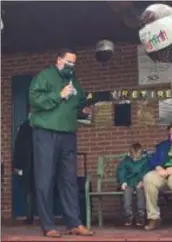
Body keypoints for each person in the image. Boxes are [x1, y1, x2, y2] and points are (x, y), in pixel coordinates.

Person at [29, 48, 94, 238]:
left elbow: (80, 101)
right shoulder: (45, 76)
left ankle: (74, 223)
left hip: (68, 134)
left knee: (69, 180)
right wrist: (59, 94)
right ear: (59, 61)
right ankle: (48, 226)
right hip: (46, 133)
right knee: (45, 179)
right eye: (68, 62)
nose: (71, 66)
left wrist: (86, 109)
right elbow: (34, 99)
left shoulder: (74, 80)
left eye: (74, 63)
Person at [116, 143, 150, 226]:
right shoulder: (125, 161)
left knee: (141, 192)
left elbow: (146, 171)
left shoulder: (146, 160)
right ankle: (128, 215)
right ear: (130, 153)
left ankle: (141, 215)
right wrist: (123, 182)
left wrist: (143, 181)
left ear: (141, 152)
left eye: (137, 154)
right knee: (127, 194)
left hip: (140, 182)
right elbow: (121, 172)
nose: (135, 157)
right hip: (129, 182)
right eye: (133, 154)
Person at [13, 118, 35, 224]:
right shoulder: (25, 127)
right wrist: (17, 164)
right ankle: (30, 215)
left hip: (36, 162)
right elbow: (19, 146)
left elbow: (19, 145)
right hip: (29, 163)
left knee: (31, 190)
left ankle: (31, 216)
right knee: (29, 190)